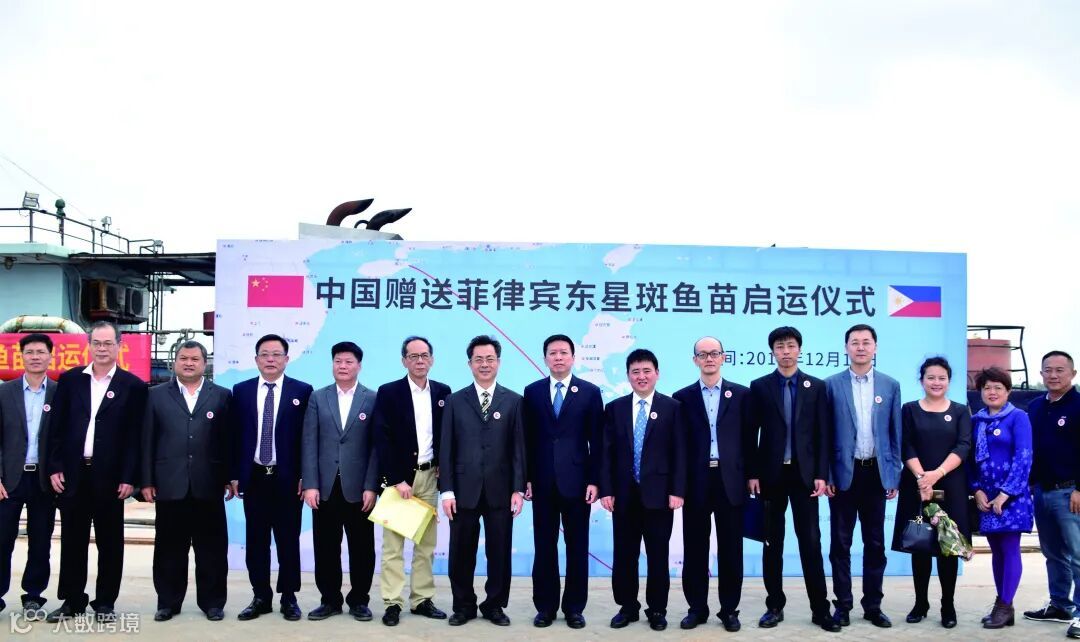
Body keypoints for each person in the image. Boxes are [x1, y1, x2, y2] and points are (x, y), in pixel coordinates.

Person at [46, 321, 147, 622]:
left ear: (119, 346)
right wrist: (55, 467)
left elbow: (135, 437)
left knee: (110, 543)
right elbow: (56, 429)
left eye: (108, 343)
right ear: (89, 345)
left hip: (111, 478)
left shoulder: (133, 386)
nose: (102, 349)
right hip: (73, 475)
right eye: (97, 343)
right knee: (72, 541)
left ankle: (105, 602)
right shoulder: (70, 380)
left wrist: (130, 477)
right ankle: (72, 601)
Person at [746, 326, 837, 632]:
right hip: (771, 477)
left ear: (799, 349)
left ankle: (820, 608)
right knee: (772, 543)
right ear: (772, 351)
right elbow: (751, 434)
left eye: (790, 346)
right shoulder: (760, 386)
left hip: (804, 477)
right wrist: (753, 473)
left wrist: (821, 474)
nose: (785, 351)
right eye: (780, 346)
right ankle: (774, 605)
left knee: (810, 542)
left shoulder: (816, 387)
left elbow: (823, 434)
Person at [140, 340, 233, 622]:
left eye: (195, 359)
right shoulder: (155, 395)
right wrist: (146, 480)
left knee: (212, 549)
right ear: (175, 362)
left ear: (205, 363)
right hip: (169, 484)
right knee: (169, 548)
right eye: (183, 358)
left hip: (209, 484)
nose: (189, 363)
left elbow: (228, 441)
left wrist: (229, 477)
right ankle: (168, 602)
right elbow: (146, 440)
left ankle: (213, 603)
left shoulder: (221, 395)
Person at [439, 335, 526, 627]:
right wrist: (447, 491)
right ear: (470, 364)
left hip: (501, 490)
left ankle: (494, 605)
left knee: (499, 551)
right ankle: (463, 605)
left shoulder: (514, 401)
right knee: (461, 552)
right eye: (479, 359)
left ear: (498, 362)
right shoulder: (455, 401)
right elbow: (446, 448)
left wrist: (518, 488)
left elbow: (518, 449)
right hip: (463, 490)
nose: (484, 364)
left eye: (490, 359)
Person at [599, 348, 685, 632]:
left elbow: (679, 452)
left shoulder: (673, 408)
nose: (641, 376)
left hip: (659, 496)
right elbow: (606, 453)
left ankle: (657, 609)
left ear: (657, 374)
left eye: (647, 371)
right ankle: (627, 607)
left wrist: (677, 490)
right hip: (624, 496)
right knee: (625, 555)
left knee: (658, 556)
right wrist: (606, 490)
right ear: (628, 376)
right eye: (635, 372)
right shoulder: (615, 409)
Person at [522, 334, 603, 629]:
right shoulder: (532, 392)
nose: (558, 357)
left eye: (563, 352)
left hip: (578, 483)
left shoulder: (590, 392)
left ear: (573, 357)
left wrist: (595, 480)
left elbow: (598, 441)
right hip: (542, 482)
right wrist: (526, 478)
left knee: (577, 547)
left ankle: (574, 608)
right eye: (553, 353)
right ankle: (545, 607)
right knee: (544, 547)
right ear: (545, 358)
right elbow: (526, 440)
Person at [230, 333, 313, 621]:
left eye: (276, 354)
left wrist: (305, 476)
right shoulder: (241, 391)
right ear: (256, 359)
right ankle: (261, 596)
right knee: (256, 541)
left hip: (288, 479)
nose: (270, 359)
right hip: (254, 478)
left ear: (287, 359)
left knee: (288, 540)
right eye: (264, 354)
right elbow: (234, 436)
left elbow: (307, 438)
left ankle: (289, 597)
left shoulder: (302, 391)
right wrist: (234, 474)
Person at [823, 324, 901, 628]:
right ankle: (842, 605)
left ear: (875, 347)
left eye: (866, 342)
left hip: (876, 474)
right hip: (844, 474)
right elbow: (825, 435)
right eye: (854, 342)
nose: (860, 347)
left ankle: (873, 605)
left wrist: (892, 475)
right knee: (840, 544)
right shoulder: (831, 385)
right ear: (846, 348)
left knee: (875, 543)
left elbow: (894, 433)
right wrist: (828, 474)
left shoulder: (890, 385)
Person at [672, 336, 749, 632]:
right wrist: (678, 486)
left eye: (714, 353)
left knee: (731, 549)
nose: (709, 358)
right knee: (694, 549)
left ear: (724, 357)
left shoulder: (741, 395)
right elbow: (678, 447)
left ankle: (729, 610)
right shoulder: (682, 397)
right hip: (696, 481)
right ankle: (697, 608)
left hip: (731, 481)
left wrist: (751, 476)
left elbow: (749, 441)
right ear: (695, 360)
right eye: (703, 354)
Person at [373, 336, 451, 626]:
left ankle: (421, 599)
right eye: (413, 356)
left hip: (430, 477)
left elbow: (447, 435)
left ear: (432, 359)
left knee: (425, 544)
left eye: (424, 355)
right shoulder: (389, 392)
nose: (420, 361)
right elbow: (381, 438)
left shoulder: (443, 392)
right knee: (393, 547)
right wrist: (396, 479)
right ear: (404, 360)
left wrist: (443, 465)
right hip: (400, 481)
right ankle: (392, 602)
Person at [891, 356, 971, 629]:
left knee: (949, 547)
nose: (936, 382)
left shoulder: (960, 411)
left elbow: (963, 446)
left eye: (942, 378)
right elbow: (906, 445)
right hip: (917, 486)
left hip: (951, 486)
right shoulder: (909, 409)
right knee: (921, 544)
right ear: (922, 380)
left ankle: (948, 605)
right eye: (931, 377)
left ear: (949, 381)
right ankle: (920, 603)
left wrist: (936, 474)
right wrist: (921, 478)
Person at [301, 341, 379, 622]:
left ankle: (359, 600)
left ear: (359, 366)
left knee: (362, 548)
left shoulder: (372, 398)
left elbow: (376, 447)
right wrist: (310, 484)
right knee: (326, 547)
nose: (343, 366)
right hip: (325, 487)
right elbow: (309, 442)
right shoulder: (317, 397)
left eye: (348, 362)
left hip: (360, 489)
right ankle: (330, 600)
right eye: (338, 361)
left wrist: (371, 486)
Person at [968, 366, 1033, 629]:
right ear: (980, 392)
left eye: (998, 387)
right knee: (996, 551)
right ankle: (1006, 606)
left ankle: (1003, 606)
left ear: (1008, 391)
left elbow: (1024, 457)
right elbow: (969, 460)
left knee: (1009, 548)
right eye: (987, 388)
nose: (992, 392)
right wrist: (977, 490)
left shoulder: (1018, 417)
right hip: (986, 498)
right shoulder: (976, 421)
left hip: (1012, 497)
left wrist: (1005, 494)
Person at [1022, 350, 1080, 638]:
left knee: (1078, 555)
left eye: (1060, 370)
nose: (1053, 375)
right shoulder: (1035, 407)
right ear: (1041, 373)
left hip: (1071, 492)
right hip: (1041, 492)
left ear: (1073, 374)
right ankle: (1060, 605)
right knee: (1053, 554)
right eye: (1048, 370)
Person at [0, 333, 57, 615]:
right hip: (9, 479)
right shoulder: (4, 392)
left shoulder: (59, 393)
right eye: (30, 352)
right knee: (2, 539)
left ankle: (33, 595)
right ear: (21, 356)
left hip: (44, 480)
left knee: (40, 541)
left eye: (40, 352)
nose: (35, 357)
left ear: (50, 357)